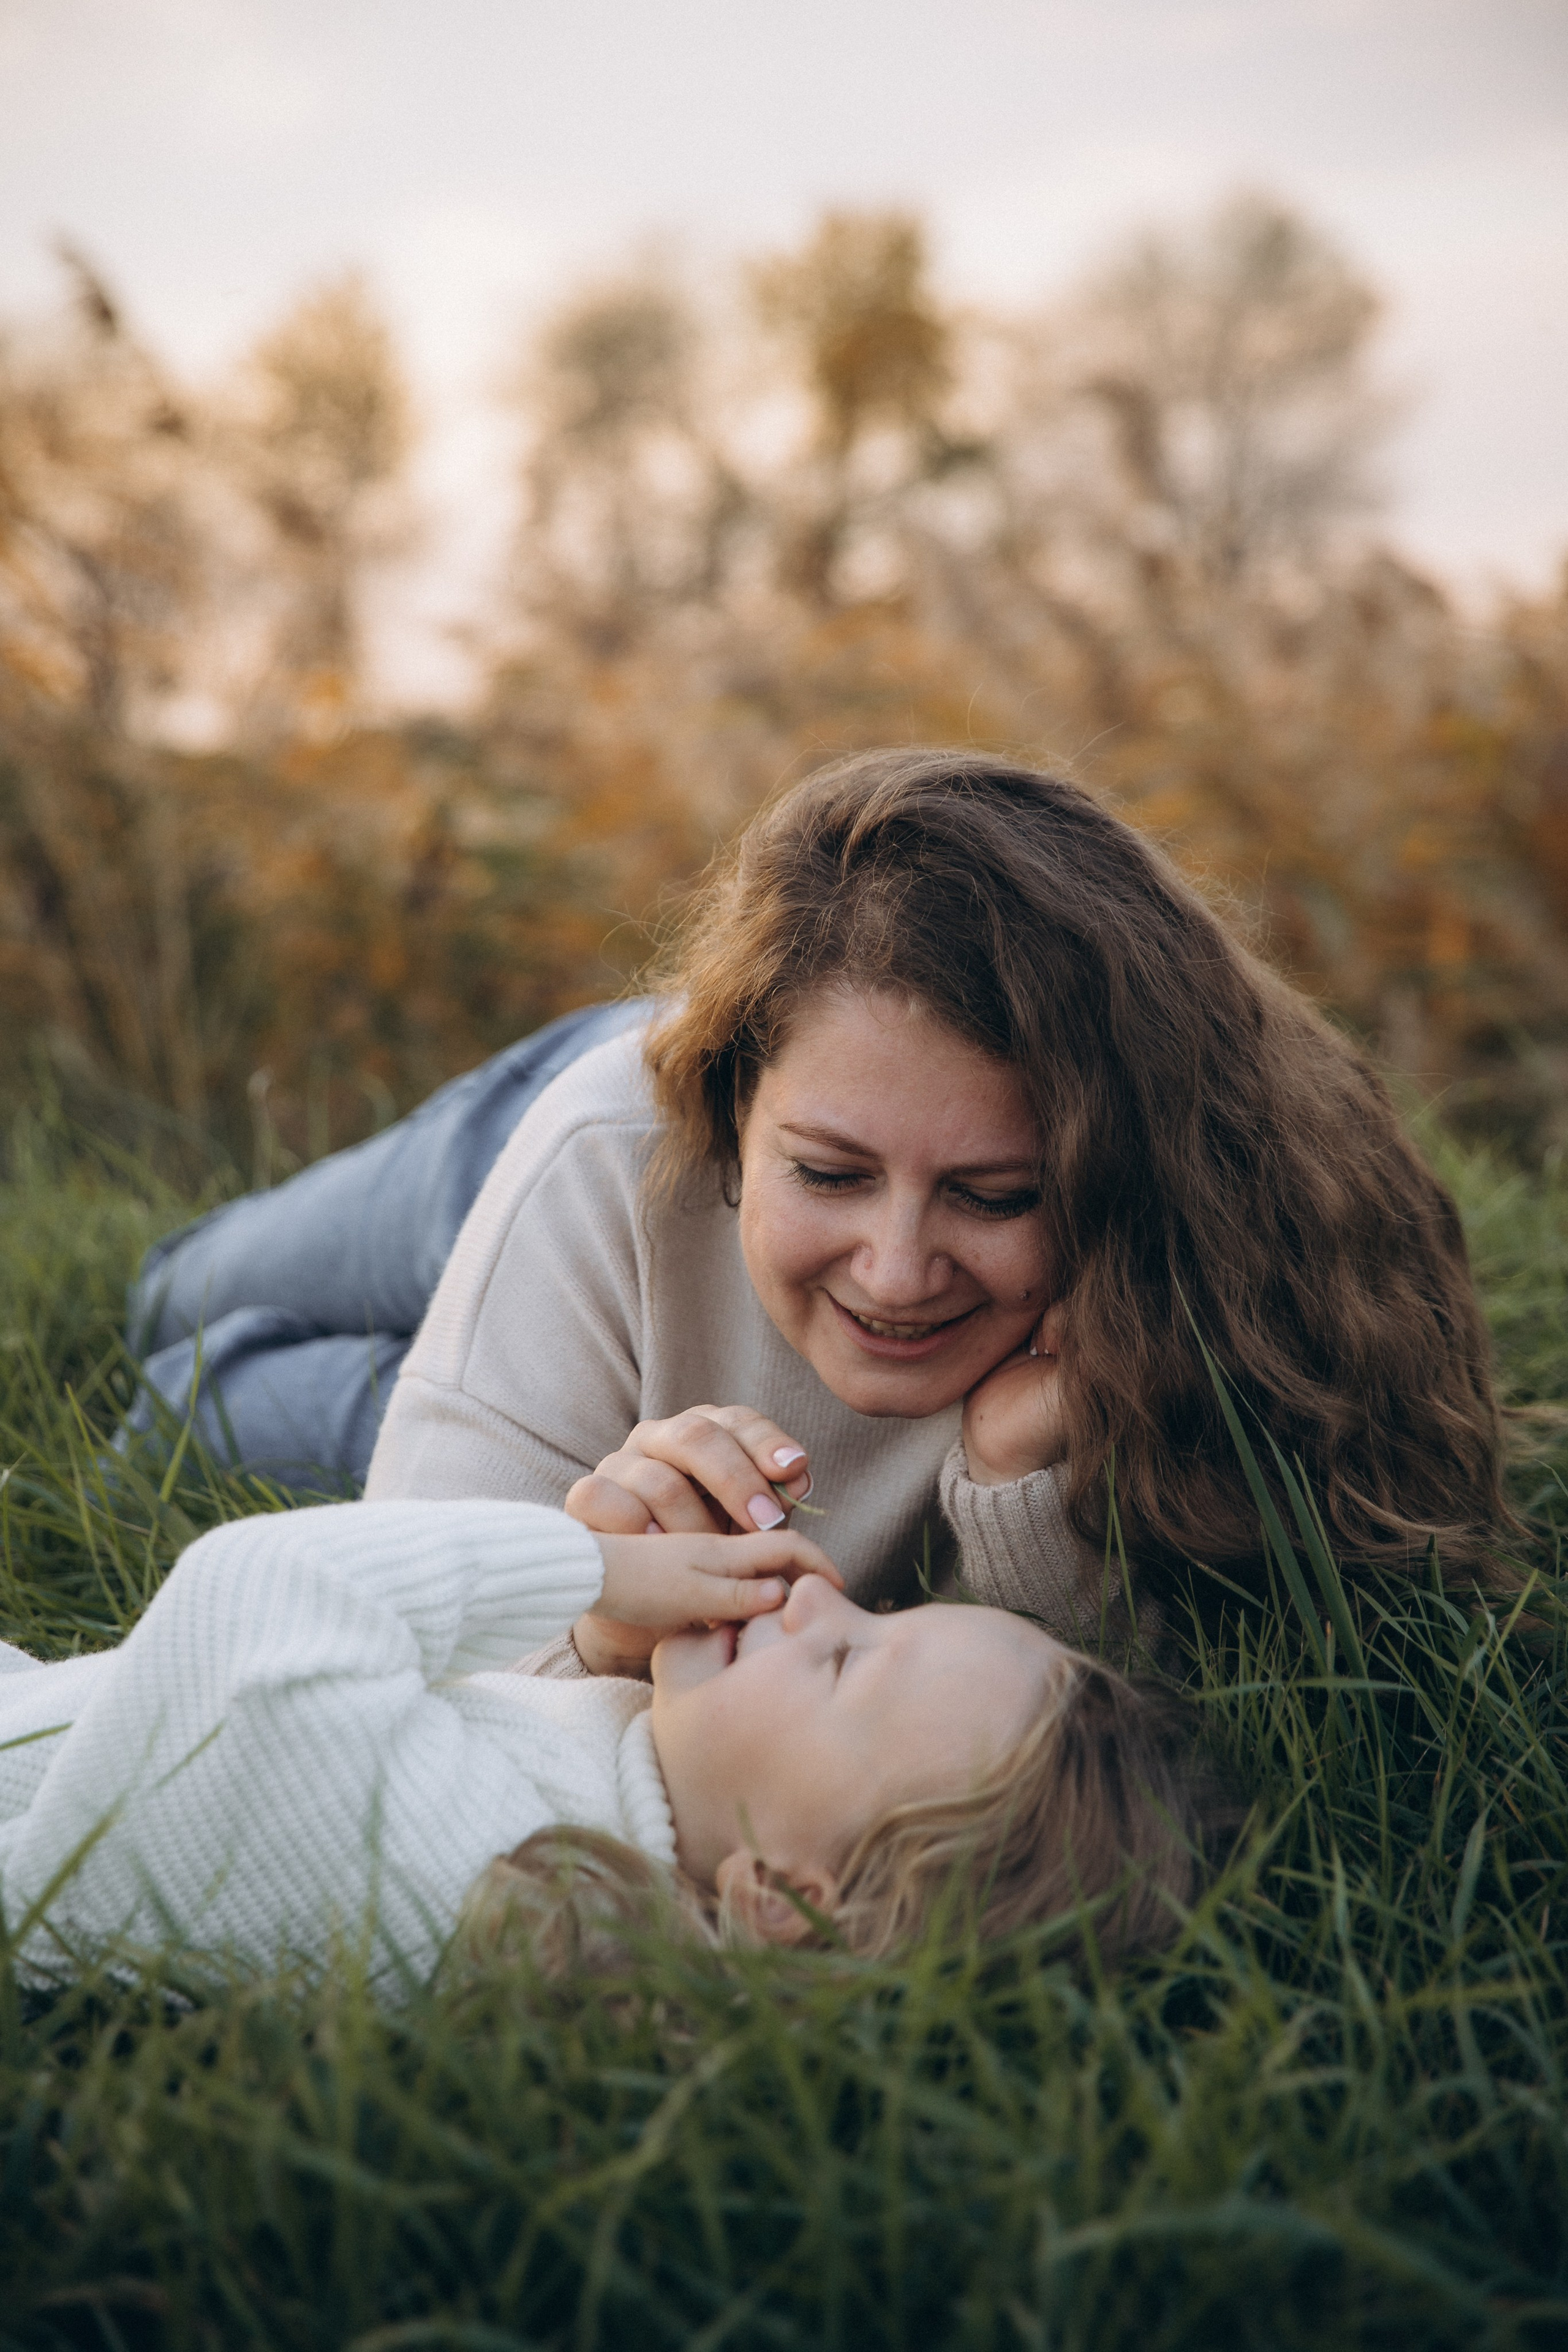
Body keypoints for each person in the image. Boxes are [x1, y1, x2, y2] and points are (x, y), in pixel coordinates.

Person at [129, 750, 1510, 1650]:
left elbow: (1092, 1744)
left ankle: (383, 1377)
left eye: (995, 1195)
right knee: (179, 1293)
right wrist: (599, 1621)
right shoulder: (621, 1139)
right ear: (744, 1115)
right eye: (831, 1176)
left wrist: (1021, 1480)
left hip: (622, 1402)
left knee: (193, 1402)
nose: (897, 1273)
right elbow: (405, 1638)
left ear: (1117, 1167)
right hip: (576, 1149)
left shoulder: (1217, 1273)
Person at [0, 1503, 1210, 1987]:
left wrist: (589, 1566)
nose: (813, 1596)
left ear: (784, 1898)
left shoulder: (481, 1885)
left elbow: (258, 1599)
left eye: (845, 1661)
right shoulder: (607, 1832)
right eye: (877, 1613)